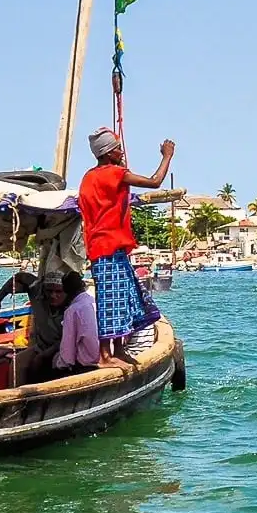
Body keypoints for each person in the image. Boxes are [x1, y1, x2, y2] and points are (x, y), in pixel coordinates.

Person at [79, 127, 174, 359]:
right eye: (118, 149)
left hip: (105, 248)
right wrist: (167, 155)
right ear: (108, 153)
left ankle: (119, 350)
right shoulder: (114, 173)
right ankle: (105, 356)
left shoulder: (88, 177)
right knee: (110, 300)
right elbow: (155, 182)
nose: (122, 152)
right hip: (107, 247)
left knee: (124, 296)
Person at [0, 269, 64, 382]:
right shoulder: (36, 290)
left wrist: (44, 356)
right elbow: (20, 276)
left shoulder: (71, 306)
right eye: (49, 291)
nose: (53, 295)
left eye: (58, 292)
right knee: (17, 362)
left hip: (62, 348)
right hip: (41, 347)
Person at [50, 271, 105, 376]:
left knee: (50, 362)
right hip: (103, 356)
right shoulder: (94, 302)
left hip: (87, 365)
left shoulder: (72, 310)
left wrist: (59, 365)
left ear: (66, 291)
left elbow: (67, 352)